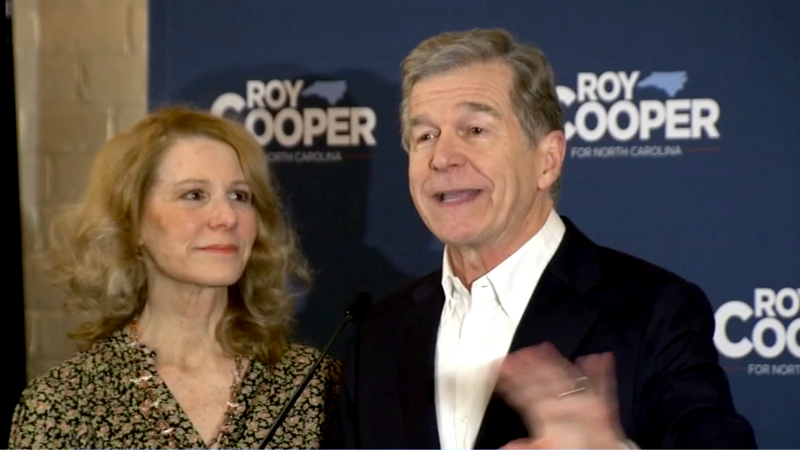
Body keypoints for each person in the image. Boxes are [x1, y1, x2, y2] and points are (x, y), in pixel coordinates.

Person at [338, 29, 757, 449]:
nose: (442, 158)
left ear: (548, 159)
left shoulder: (655, 312)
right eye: (425, 135)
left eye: (476, 129)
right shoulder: (377, 333)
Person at [9, 107, 340, 449]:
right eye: (194, 195)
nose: (226, 217)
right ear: (132, 220)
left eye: (240, 196)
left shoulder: (316, 386)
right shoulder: (62, 404)